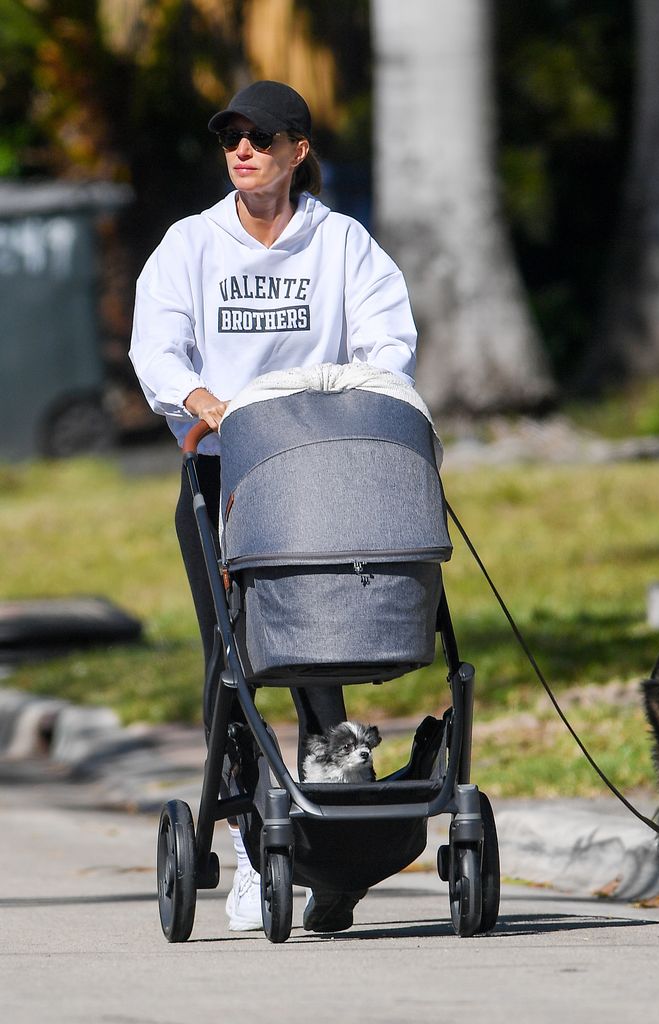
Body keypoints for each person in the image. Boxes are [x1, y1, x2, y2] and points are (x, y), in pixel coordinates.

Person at [129, 80, 418, 933]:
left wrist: (353, 390)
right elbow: (157, 345)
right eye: (232, 137)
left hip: (323, 473)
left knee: (321, 647)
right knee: (241, 655)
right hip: (225, 475)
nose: (243, 149)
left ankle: (336, 833)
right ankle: (261, 846)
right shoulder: (192, 244)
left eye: (262, 137)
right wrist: (199, 399)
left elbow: (387, 338)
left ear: (298, 151)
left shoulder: (341, 244)